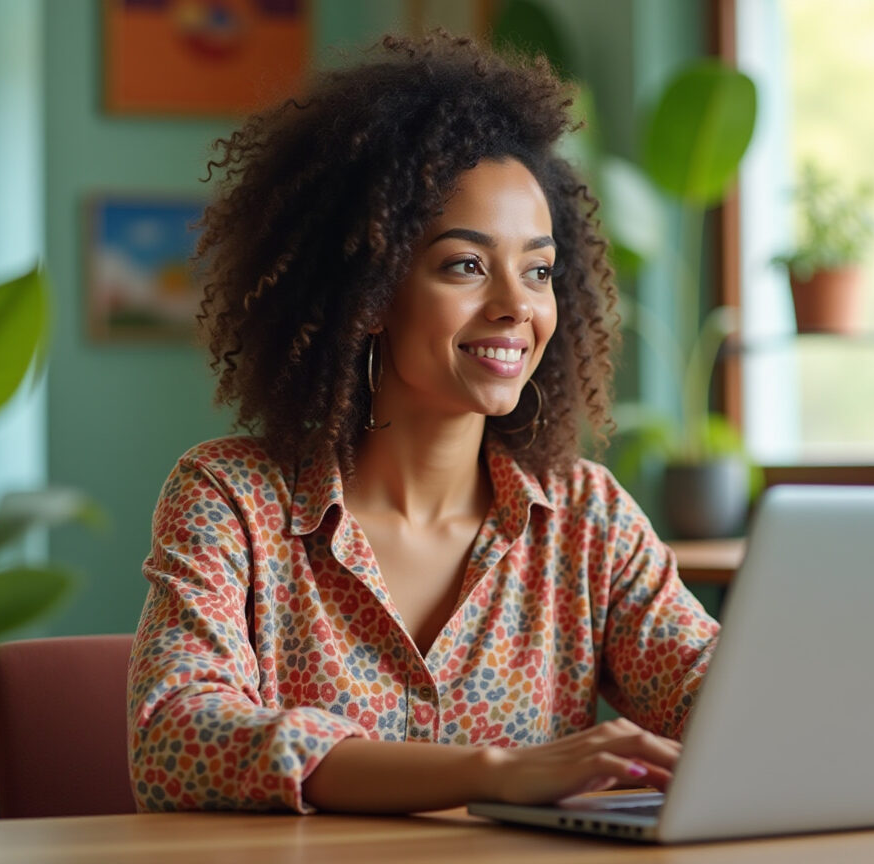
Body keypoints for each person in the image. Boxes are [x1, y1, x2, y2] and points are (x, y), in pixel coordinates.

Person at [127, 32, 721, 815]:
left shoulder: (587, 521)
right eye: (465, 265)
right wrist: (492, 773)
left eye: (538, 270)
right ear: (369, 293)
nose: (517, 307)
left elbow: (722, 698)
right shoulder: (232, 500)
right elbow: (177, 737)